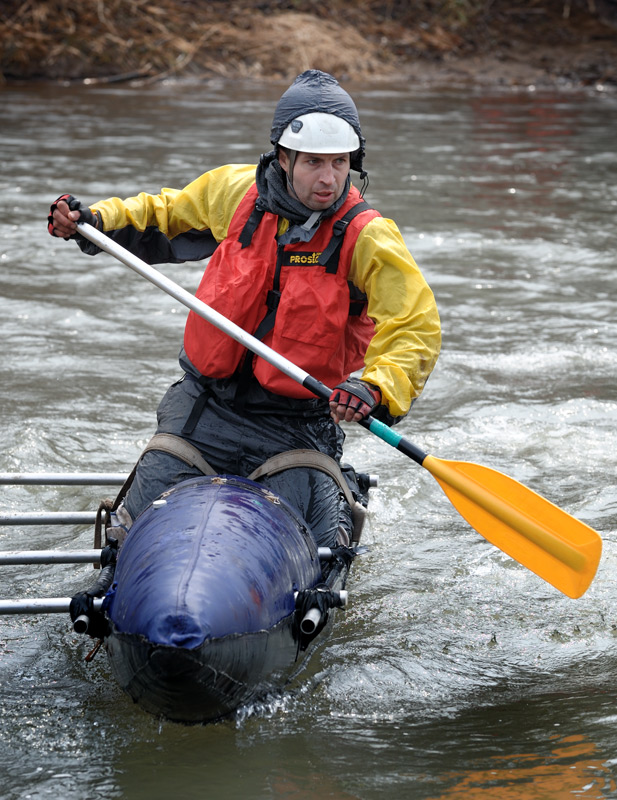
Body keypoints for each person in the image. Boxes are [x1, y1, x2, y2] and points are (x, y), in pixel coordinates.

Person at [48, 69, 441, 551]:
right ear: (284, 157)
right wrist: (95, 220)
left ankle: (337, 498)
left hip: (295, 426)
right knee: (126, 533)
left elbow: (414, 325)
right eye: (315, 163)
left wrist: (375, 387)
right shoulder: (237, 194)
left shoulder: (368, 236)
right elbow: (164, 213)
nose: (328, 178)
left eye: (340, 163)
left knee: (316, 546)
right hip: (202, 409)